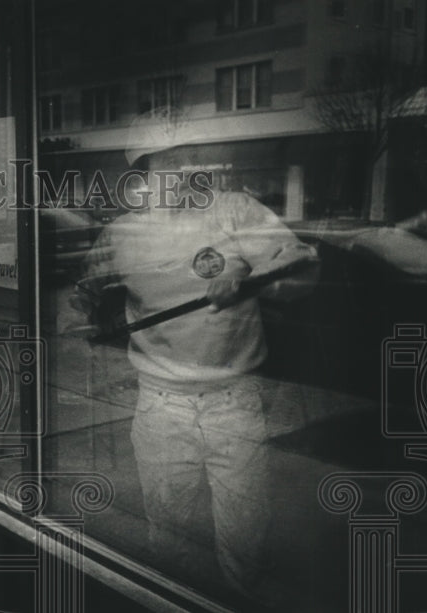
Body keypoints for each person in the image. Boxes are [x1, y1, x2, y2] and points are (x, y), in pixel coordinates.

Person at [70, 167, 319, 603]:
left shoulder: (234, 210)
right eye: (157, 163)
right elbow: (83, 299)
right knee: (168, 537)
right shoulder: (123, 233)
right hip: (161, 404)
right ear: (142, 174)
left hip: (234, 401)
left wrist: (258, 278)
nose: (171, 173)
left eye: (180, 160)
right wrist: (89, 319)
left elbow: (301, 268)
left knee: (246, 539)